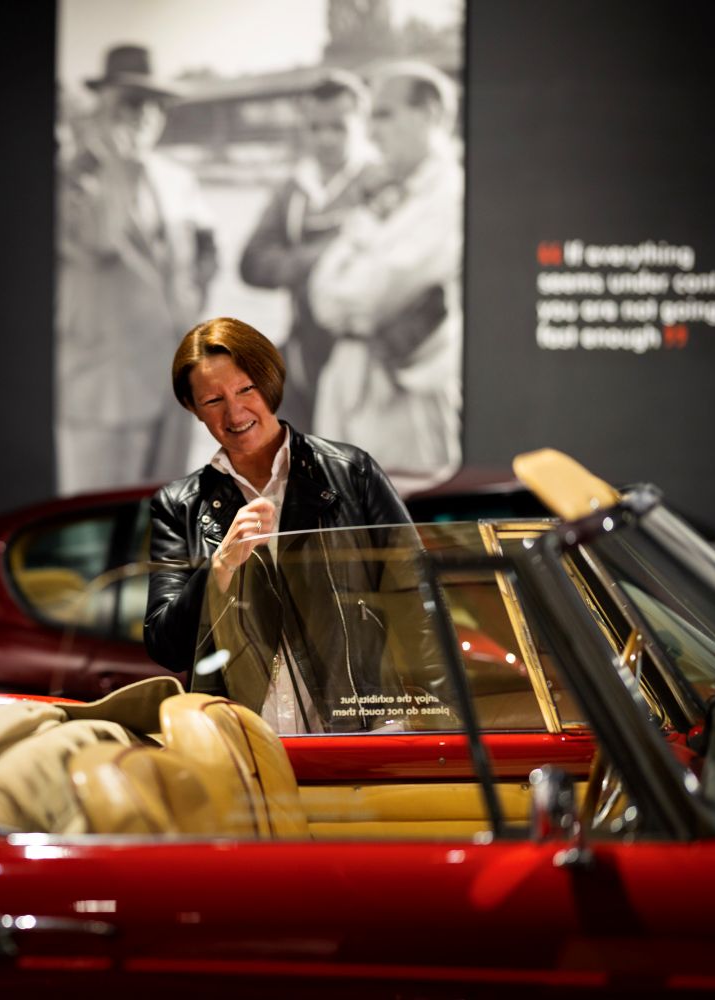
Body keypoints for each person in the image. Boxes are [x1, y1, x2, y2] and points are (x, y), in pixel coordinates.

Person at [143, 317, 419, 733]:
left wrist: (441, 714)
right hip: (242, 740)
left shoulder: (351, 473)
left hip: (360, 732)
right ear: (192, 407)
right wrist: (219, 568)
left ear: (269, 382)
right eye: (213, 400)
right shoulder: (177, 505)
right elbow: (167, 647)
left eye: (245, 389)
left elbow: (416, 598)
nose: (235, 412)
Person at [56, 43, 218, 494]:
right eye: (129, 103)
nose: (144, 115)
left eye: (155, 104)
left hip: (174, 382)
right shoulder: (68, 178)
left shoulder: (177, 178)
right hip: (105, 386)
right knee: (101, 520)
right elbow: (97, 243)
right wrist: (113, 165)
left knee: (168, 519)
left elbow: (207, 250)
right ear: (102, 106)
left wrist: (193, 302)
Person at [306, 61, 463, 494]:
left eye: (384, 114)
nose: (372, 133)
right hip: (353, 386)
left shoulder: (452, 197)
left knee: (402, 540)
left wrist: (351, 277)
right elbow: (321, 292)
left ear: (429, 114)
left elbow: (372, 297)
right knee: (346, 534)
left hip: (403, 399)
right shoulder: (393, 193)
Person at [239, 69, 382, 431]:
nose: (326, 139)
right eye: (316, 128)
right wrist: (325, 257)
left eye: (338, 127)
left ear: (363, 123)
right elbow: (251, 263)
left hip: (372, 355)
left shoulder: (381, 181)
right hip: (305, 351)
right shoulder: (294, 189)